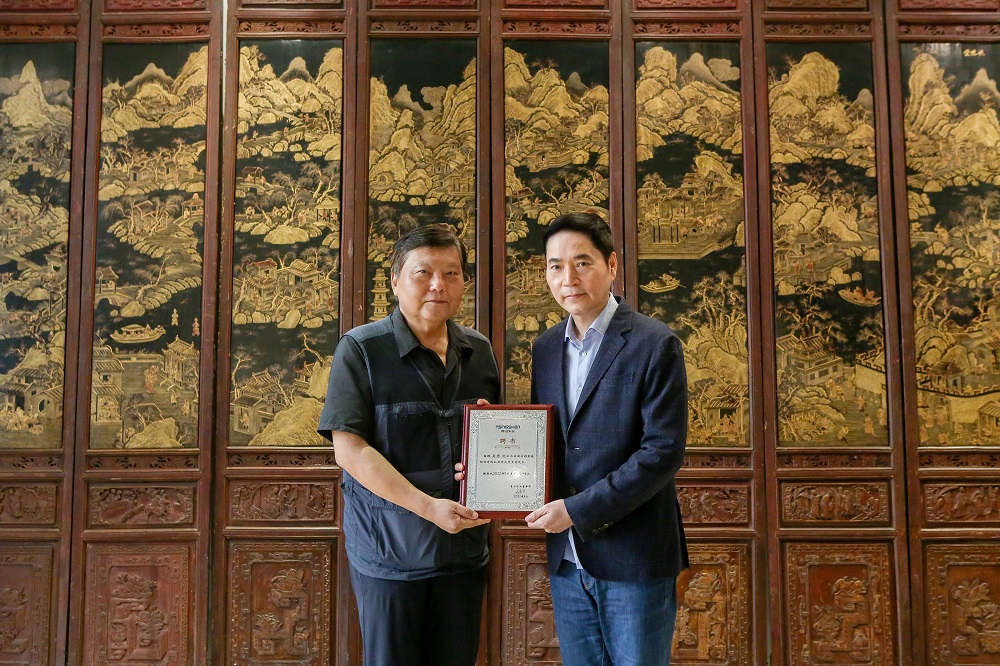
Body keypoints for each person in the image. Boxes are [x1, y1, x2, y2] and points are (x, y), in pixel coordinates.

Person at [317, 224, 500, 666]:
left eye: (451, 273)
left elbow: (496, 443)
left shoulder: (478, 350)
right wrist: (427, 507)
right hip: (390, 554)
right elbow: (350, 450)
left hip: (463, 552)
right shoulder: (362, 349)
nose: (439, 285)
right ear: (395, 281)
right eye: (424, 273)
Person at [525, 212, 688, 666]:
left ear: (612, 265)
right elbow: (545, 440)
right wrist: (491, 452)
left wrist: (577, 510)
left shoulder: (655, 343)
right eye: (556, 266)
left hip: (634, 557)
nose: (569, 278)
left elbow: (662, 451)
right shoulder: (544, 348)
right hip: (568, 559)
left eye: (582, 262)